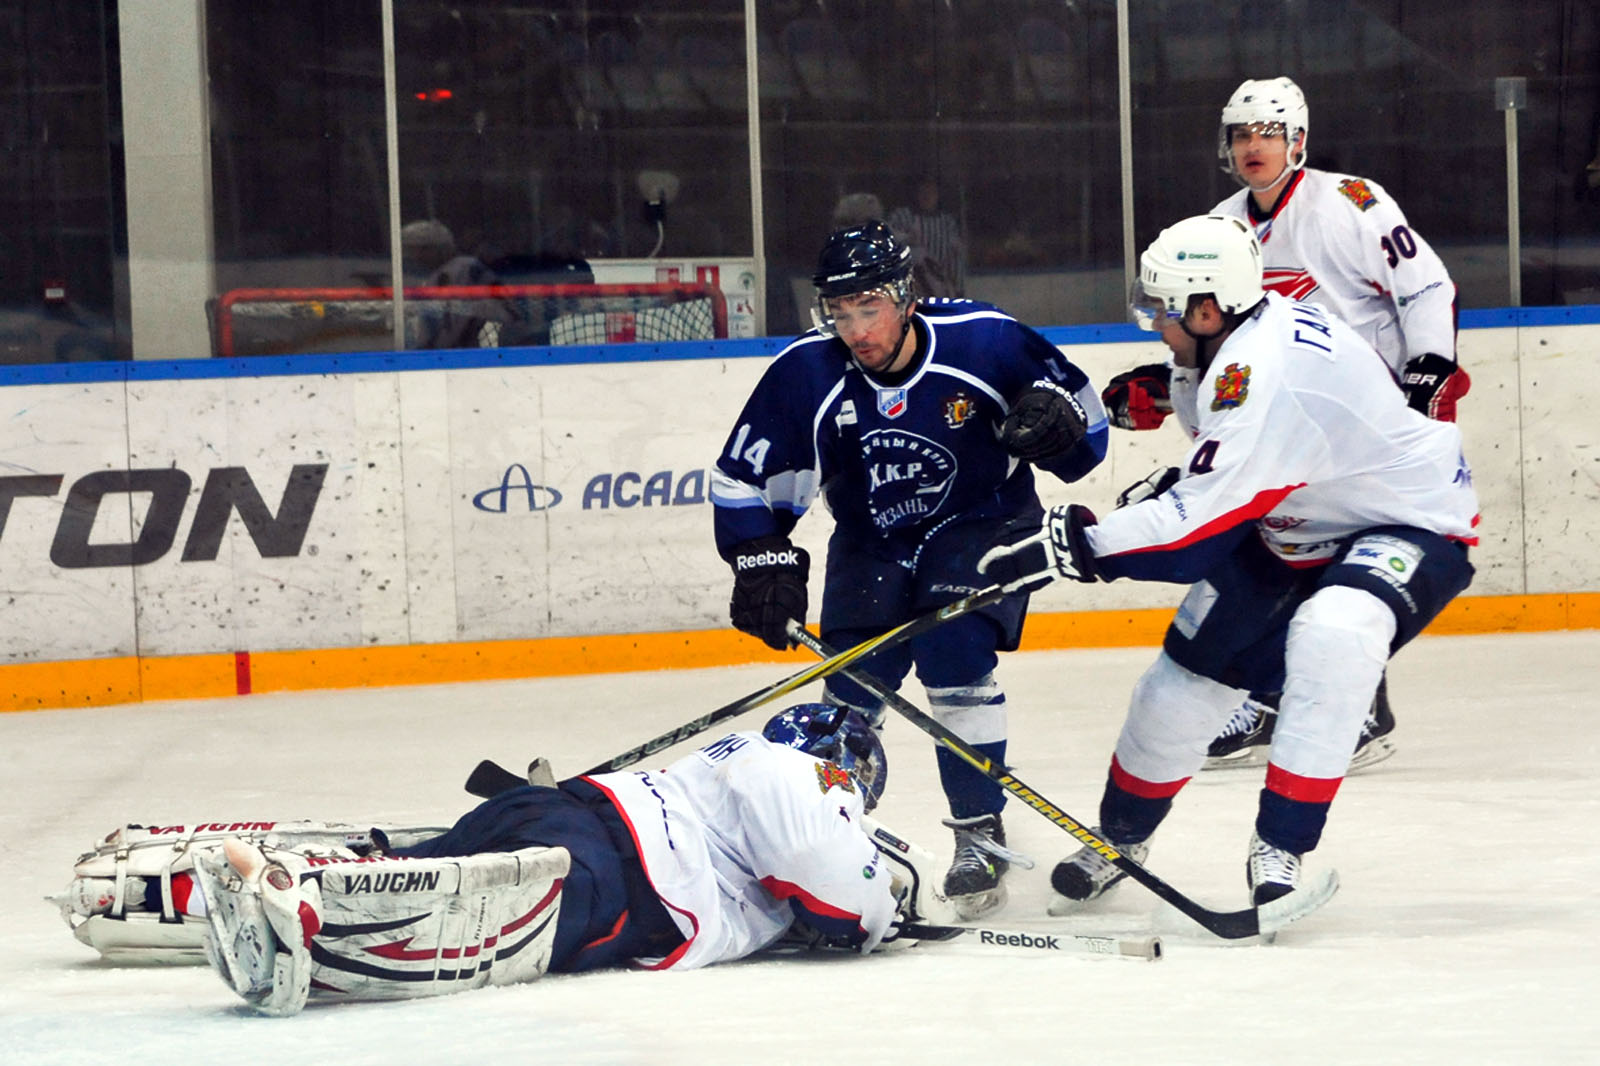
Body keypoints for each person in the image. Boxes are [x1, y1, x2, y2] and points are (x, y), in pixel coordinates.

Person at [979, 214, 1477, 918]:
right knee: (1176, 689)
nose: (1152, 320)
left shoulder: (1262, 372)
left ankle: (1281, 850)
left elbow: (1194, 536)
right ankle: (1120, 839)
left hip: (1406, 520)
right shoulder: (1232, 338)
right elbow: (1229, 466)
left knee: (1335, 636)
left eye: (1161, 307)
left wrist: (1079, 543)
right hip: (1293, 524)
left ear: (1208, 308)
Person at [710, 219, 1109, 918]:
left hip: (984, 517)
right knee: (852, 682)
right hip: (872, 535)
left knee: (952, 649)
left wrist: (1063, 429)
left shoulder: (985, 340)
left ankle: (978, 831)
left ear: (904, 297)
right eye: (840, 311)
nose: (856, 329)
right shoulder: (807, 371)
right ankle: (821, 835)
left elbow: (1090, 431)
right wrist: (759, 559)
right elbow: (738, 481)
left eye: (869, 308)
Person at [56, 704, 903, 1016]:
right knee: (470, 912)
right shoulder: (811, 774)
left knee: (427, 859)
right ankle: (312, 909)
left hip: (561, 804)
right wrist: (885, 905)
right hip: (625, 878)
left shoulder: (726, 760)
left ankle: (186, 888)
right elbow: (836, 899)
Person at [1102, 76, 1471, 770]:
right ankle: (1282, 694)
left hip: (1355, 417)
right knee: (1284, 550)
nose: (1253, 146)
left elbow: (1424, 285)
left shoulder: (1348, 202)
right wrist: (1170, 388)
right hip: (1278, 422)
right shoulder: (1219, 227)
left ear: (1297, 140)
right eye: (1242, 134)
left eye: (1268, 132)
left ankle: (1349, 702)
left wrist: (1428, 372)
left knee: (1343, 556)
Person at [889, 177, 967, 298]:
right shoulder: (902, 217)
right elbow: (890, 243)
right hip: (909, 287)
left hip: (939, 287)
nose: (927, 197)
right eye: (923, 192)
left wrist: (958, 289)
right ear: (916, 194)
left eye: (931, 193)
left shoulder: (946, 222)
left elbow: (955, 256)